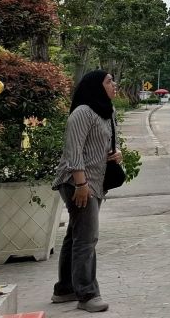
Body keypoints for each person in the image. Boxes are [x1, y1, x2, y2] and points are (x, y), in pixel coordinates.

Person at [51, 70, 121, 313]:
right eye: (109, 81)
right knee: (87, 238)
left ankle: (65, 288)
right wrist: (81, 186)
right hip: (76, 181)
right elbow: (74, 152)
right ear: (95, 86)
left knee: (76, 235)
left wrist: (117, 153)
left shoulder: (107, 111)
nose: (114, 85)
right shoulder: (82, 112)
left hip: (96, 180)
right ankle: (87, 294)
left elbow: (112, 142)